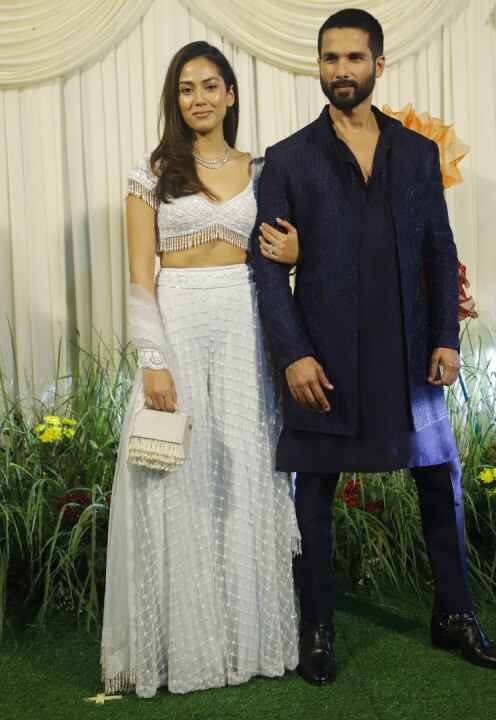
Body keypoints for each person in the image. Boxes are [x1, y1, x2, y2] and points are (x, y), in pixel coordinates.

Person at [251, 9, 496, 686]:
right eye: (330, 58)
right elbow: (265, 271)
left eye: (354, 58)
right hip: (324, 357)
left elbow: (439, 248)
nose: (342, 70)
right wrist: (293, 355)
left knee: (440, 482)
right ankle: (316, 630)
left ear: (378, 65)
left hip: (407, 357)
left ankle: (455, 616)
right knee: (313, 495)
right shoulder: (286, 160)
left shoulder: (417, 153)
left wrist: (447, 339)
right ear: (319, 66)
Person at [101, 41, 300, 698]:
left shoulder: (266, 169)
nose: (199, 98)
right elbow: (139, 278)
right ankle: (185, 649)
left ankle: (250, 642)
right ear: (175, 100)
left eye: (210, 85)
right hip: (179, 327)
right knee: (181, 484)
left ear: (231, 94)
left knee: (243, 473)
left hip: (246, 331)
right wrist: (152, 362)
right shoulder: (150, 174)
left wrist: (297, 250)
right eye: (186, 89)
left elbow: (281, 257)